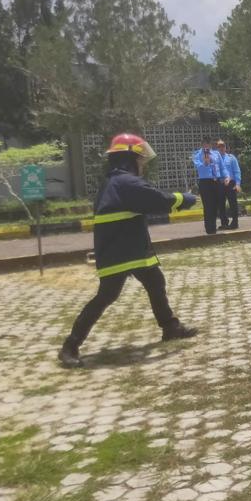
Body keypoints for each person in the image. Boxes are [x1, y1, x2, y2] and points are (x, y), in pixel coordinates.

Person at [58, 134, 199, 368]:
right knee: (107, 296)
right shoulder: (126, 183)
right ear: (129, 158)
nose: (143, 164)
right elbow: (154, 199)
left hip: (131, 247)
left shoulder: (116, 182)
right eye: (140, 160)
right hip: (120, 251)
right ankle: (69, 346)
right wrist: (183, 199)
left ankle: (170, 327)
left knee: (155, 281)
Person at [193, 136, 224, 234]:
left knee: (215, 204)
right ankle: (209, 228)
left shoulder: (216, 154)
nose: (206, 146)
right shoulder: (197, 154)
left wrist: (226, 176)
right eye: (204, 144)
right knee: (207, 205)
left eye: (208, 144)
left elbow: (222, 167)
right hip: (205, 182)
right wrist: (205, 163)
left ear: (211, 145)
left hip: (216, 181)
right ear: (202, 145)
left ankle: (213, 227)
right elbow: (198, 166)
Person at [216, 140, 242, 230]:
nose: (221, 148)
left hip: (231, 183)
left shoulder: (231, 158)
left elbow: (237, 171)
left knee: (233, 204)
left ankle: (235, 222)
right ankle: (224, 223)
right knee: (220, 204)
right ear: (217, 148)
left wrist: (238, 184)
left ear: (225, 147)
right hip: (220, 183)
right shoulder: (215, 159)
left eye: (223, 146)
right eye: (219, 146)